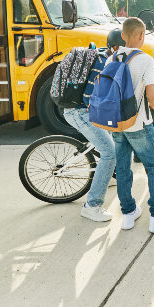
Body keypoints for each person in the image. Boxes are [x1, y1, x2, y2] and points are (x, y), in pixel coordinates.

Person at [108, 17, 154, 233]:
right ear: (141, 35)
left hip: (117, 123)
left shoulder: (111, 57)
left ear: (122, 36)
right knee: (153, 164)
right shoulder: (145, 59)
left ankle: (128, 212)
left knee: (122, 167)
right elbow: (151, 93)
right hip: (139, 123)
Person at [62, 33, 122, 222]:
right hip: (79, 113)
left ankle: (105, 176)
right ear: (115, 48)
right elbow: (89, 97)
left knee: (112, 137)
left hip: (81, 111)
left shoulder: (104, 59)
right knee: (109, 153)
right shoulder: (102, 63)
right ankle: (92, 205)